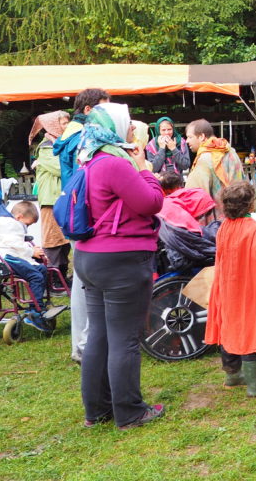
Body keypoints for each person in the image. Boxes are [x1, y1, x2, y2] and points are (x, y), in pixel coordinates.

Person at [72, 102, 166, 429]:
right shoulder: (115, 163)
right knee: (124, 338)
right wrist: (143, 169)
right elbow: (151, 202)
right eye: (127, 123)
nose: (132, 128)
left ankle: (97, 410)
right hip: (121, 261)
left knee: (99, 335)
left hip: (90, 257)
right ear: (113, 126)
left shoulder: (89, 160)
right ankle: (129, 412)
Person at [204, 181, 256, 397]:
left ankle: (233, 375)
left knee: (229, 325)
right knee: (251, 328)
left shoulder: (224, 227)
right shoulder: (252, 228)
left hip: (228, 287)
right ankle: (255, 385)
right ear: (250, 204)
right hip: (248, 288)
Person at [52, 88, 109, 365]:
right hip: (83, 215)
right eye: (103, 109)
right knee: (87, 282)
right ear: (88, 110)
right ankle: (85, 345)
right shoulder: (81, 137)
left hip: (76, 214)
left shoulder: (70, 134)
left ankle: (82, 344)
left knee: (82, 280)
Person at [0, 202, 53, 330]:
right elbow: (15, 243)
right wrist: (32, 252)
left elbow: (15, 243)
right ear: (19, 217)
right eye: (27, 224)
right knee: (36, 276)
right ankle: (35, 311)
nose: (27, 227)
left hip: (2, 254)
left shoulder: (6, 221)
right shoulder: (11, 223)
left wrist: (32, 252)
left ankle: (37, 304)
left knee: (41, 269)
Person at [29, 110, 71, 278]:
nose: (67, 126)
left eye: (68, 122)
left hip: (63, 198)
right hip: (51, 199)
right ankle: (52, 278)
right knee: (53, 240)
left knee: (65, 241)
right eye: (63, 123)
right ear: (53, 125)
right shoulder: (46, 147)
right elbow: (61, 169)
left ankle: (62, 277)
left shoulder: (62, 143)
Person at [184, 119, 243, 214]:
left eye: (190, 137)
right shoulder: (230, 151)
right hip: (238, 212)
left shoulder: (204, 159)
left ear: (202, 137)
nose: (187, 141)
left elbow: (195, 195)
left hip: (216, 217)